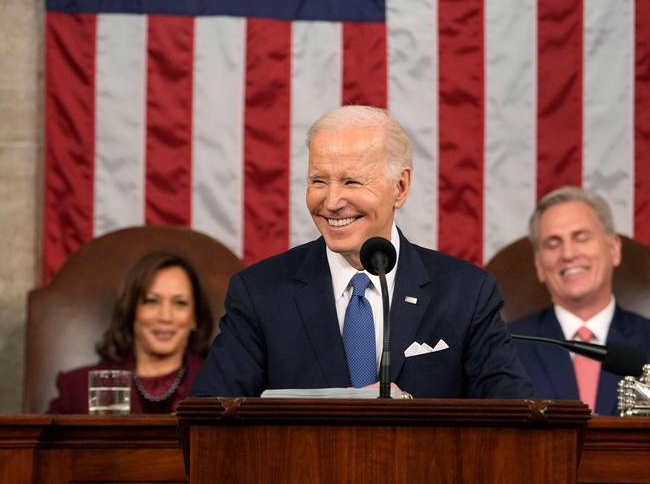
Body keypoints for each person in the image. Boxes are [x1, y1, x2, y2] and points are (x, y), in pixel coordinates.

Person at [191, 105, 533, 399]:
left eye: (352, 182)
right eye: (318, 181)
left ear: (400, 187)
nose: (332, 201)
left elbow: (513, 416)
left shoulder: (466, 293)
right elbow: (211, 419)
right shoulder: (260, 294)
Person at [508, 186, 650, 415]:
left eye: (581, 238)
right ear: (539, 265)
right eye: (553, 243)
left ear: (613, 249)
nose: (568, 254)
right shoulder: (506, 348)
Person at [48, 250, 215, 413]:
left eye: (180, 303)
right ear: (131, 310)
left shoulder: (221, 387)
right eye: (151, 301)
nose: (165, 317)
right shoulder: (77, 389)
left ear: (195, 317)